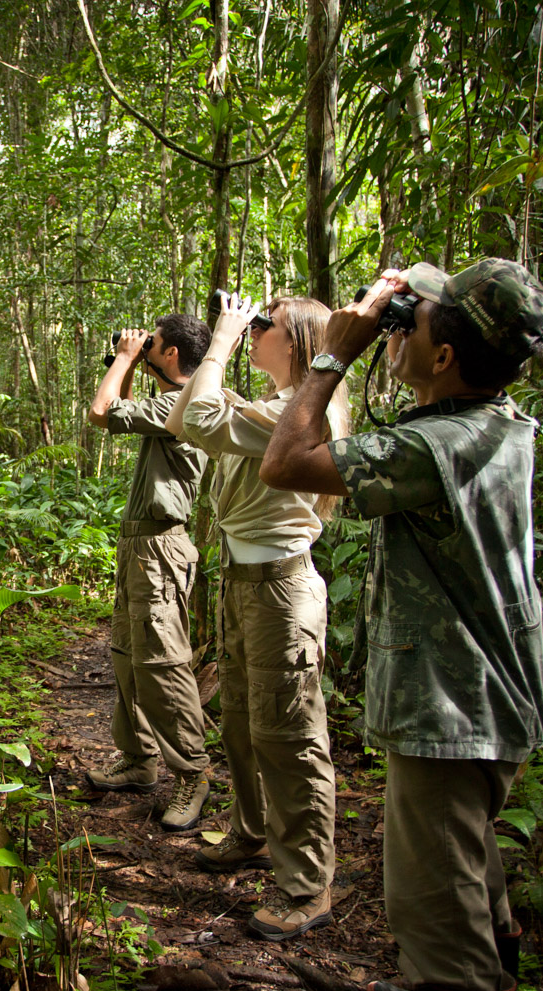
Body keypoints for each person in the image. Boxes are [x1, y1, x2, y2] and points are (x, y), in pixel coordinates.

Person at [257, 259, 543, 991]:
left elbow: (284, 465)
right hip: (490, 691)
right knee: (470, 861)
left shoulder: (437, 447)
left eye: (415, 324)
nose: (399, 329)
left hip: (453, 702)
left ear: (450, 357)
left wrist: (331, 357)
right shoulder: (498, 422)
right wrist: (407, 314)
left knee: (437, 895)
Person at [163, 295, 350, 941]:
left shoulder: (295, 410)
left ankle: (307, 884)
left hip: (280, 591)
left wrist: (219, 337)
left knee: (290, 735)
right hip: (244, 582)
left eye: (263, 323)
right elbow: (189, 417)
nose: (253, 329)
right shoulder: (274, 404)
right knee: (240, 719)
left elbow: (205, 416)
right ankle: (252, 832)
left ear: (295, 339)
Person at [84, 315, 213, 833]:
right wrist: (136, 361)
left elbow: (102, 411)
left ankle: (192, 771)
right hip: (140, 544)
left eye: (152, 343)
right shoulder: (170, 399)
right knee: (127, 654)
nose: (141, 346)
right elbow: (121, 411)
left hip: (160, 547)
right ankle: (138, 759)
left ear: (174, 355)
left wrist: (123, 358)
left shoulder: (184, 404)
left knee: (161, 659)